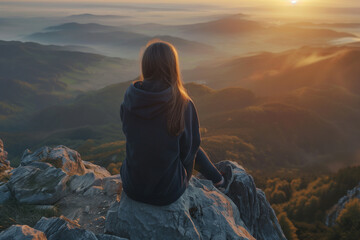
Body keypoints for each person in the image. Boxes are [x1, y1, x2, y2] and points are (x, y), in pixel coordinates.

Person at [119, 40, 229, 206]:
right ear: (173, 66)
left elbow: (134, 138)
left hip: (132, 186)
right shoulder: (182, 104)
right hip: (166, 192)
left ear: (146, 66)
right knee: (189, 143)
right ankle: (219, 180)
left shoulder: (130, 99)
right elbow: (189, 152)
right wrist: (185, 176)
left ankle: (217, 178)